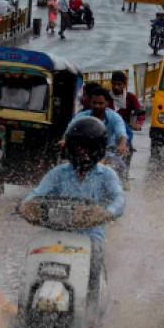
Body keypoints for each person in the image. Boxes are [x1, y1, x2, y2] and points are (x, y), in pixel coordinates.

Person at [18, 116, 125, 306]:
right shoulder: (59, 173)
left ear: (97, 149)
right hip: (55, 233)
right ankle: (24, 303)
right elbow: (37, 192)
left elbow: (119, 199)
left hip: (91, 238)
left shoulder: (107, 175)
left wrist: (108, 212)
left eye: (86, 147)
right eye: (77, 146)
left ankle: (91, 314)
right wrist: (25, 205)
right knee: (30, 263)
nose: (81, 151)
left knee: (95, 264)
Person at [65, 87, 129, 187]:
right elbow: (68, 131)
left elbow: (122, 134)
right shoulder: (81, 116)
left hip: (108, 153)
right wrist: (63, 141)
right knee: (65, 166)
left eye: (100, 103)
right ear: (90, 103)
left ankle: (121, 190)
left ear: (107, 103)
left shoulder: (115, 117)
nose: (97, 106)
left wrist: (122, 145)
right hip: (84, 152)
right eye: (94, 103)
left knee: (121, 167)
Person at [110, 71, 144, 186]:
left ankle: (125, 177)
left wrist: (138, 124)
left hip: (124, 130)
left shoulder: (130, 98)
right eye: (114, 84)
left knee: (128, 149)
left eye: (119, 84)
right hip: (107, 129)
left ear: (124, 85)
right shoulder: (105, 97)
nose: (116, 87)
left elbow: (140, 113)